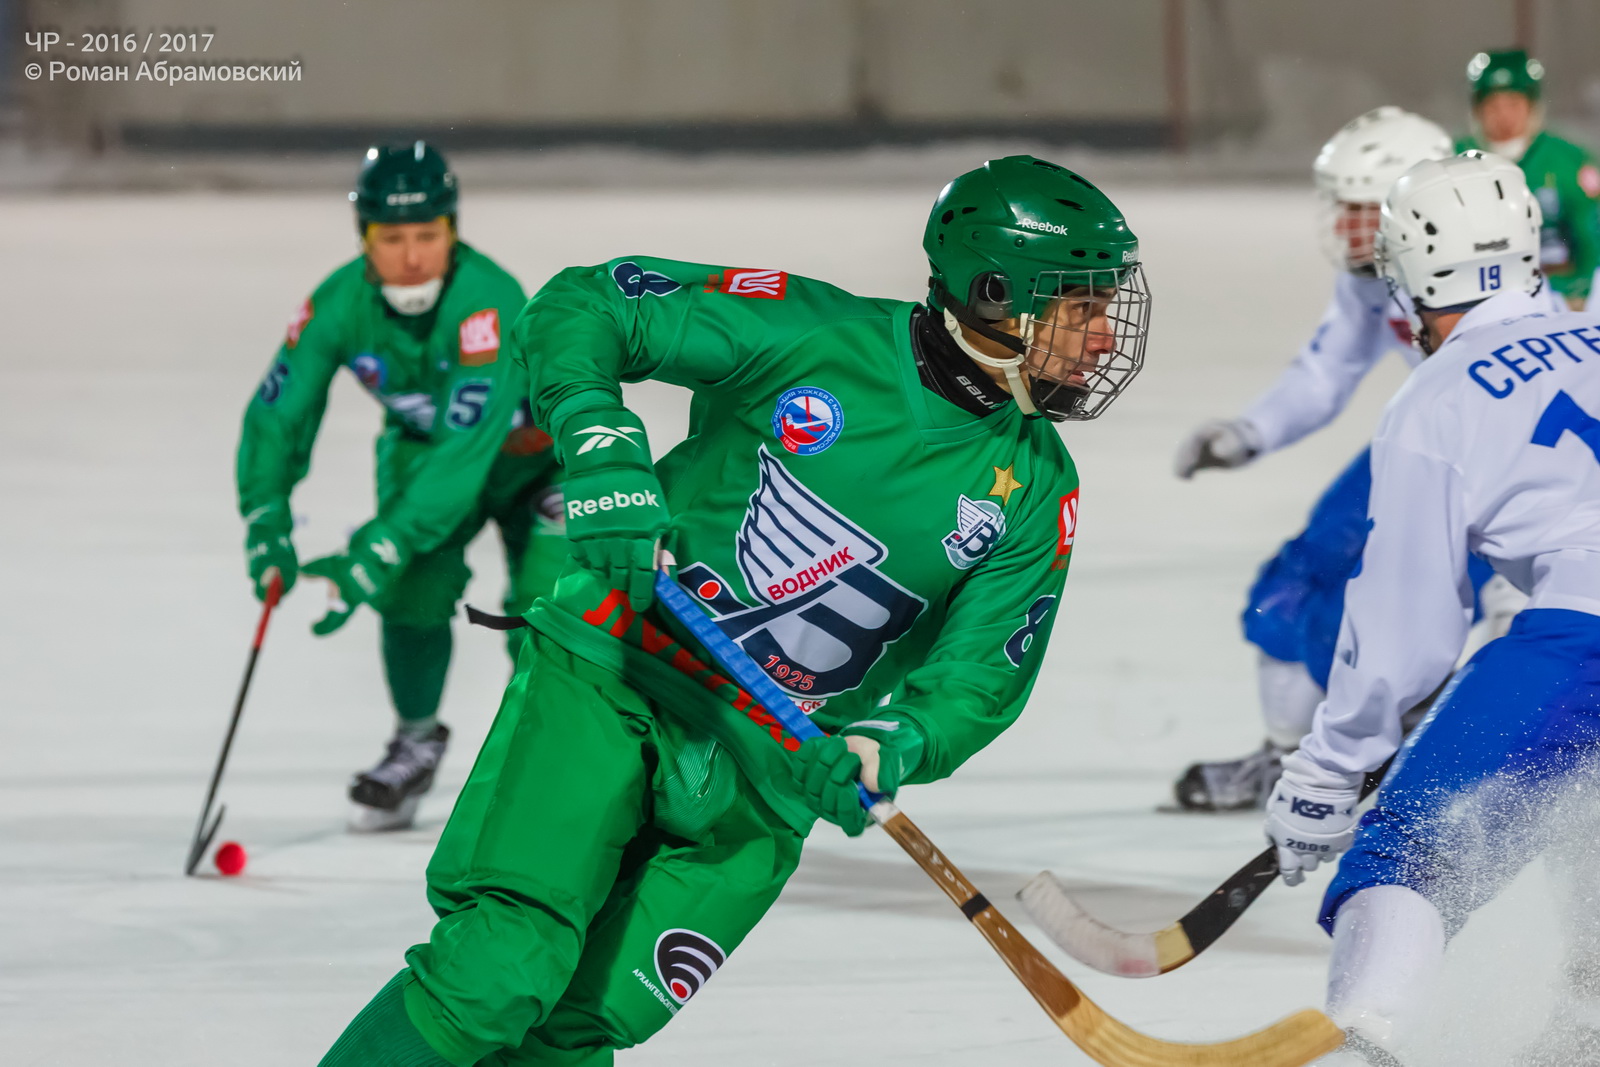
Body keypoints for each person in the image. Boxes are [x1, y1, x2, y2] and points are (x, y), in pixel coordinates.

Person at [316, 155, 1152, 1066]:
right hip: (618, 670)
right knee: (498, 967)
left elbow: (980, 675)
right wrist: (601, 445)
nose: (1103, 339)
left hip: (768, 774)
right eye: (1083, 308)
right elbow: (585, 303)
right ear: (997, 296)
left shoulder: (1036, 487)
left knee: (578, 1026)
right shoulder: (811, 334)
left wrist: (890, 742)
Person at [1263, 151, 1600, 1064]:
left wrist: (1328, 772)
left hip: (1581, 635)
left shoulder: (1438, 396)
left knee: (1409, 852)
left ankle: (1372, 1040)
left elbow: (1403, 633)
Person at [235, 141, 566, 832]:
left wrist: (379, 544)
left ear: (453, 231)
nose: (412, 257)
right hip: (427, 453)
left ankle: (551, 754)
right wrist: (266, 513)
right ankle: (415, 740)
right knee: (410, 587)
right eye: (392, 239)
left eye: (428, 236)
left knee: (551, 604)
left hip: (538, 461)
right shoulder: (336, 304)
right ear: (364, 238)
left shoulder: (488, 302)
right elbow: (278, 413)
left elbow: (464, 452)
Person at [1170, 108, 1482, 812]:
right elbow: (1327, 368)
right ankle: (1288, 754)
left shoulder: (1497, 277)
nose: (1346, 226)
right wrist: (1250, 431)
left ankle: (1424, 750)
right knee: (1296, 580)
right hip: (1422, 443)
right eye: (1345, 209)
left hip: (1498, 464)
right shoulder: (1376, 276)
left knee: (1410, 605)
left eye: (1365, 210)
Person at [1458, 48, 1600, 310]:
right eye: (1493, 105)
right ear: (1477, 109)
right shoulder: (1456, 160)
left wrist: (1578, 290)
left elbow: (1591, 236)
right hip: (1483, 296)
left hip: (1562, 293)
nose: (1504, 116)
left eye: (1513, 104)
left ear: (1532, 105)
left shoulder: (1568, 160)